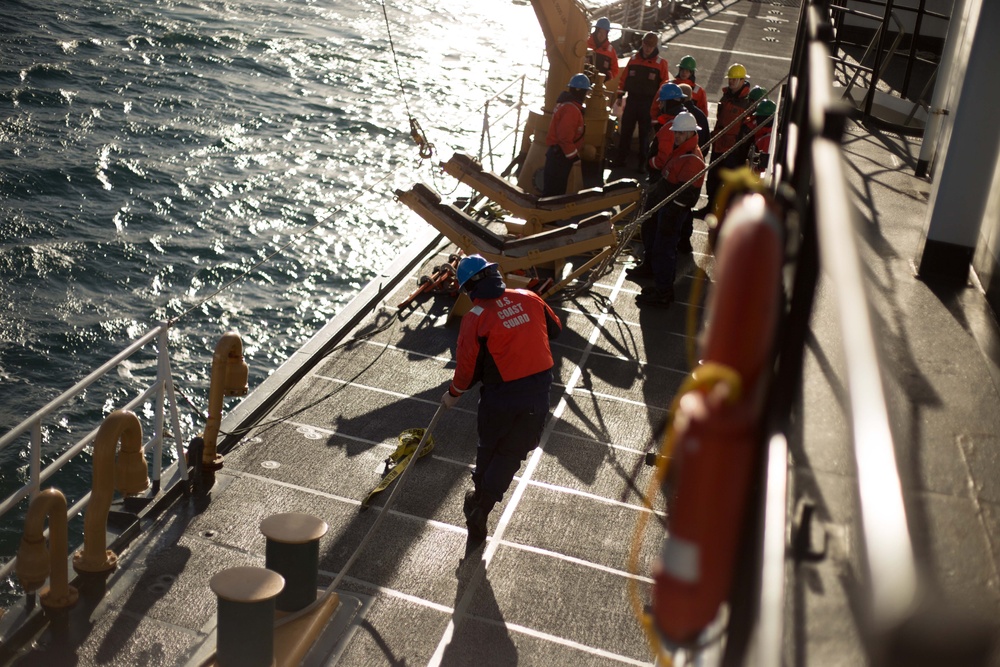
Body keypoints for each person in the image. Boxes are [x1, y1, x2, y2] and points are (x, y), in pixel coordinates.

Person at [440, 255, 562, 544]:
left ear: (470, 289)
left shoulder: (476, 318)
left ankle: (477, 494)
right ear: (496, 275)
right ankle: (483, 506)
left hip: (499, 396)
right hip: (537, 393)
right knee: (511, 453)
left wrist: (454, 394)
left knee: (489, 445)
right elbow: (555, 330)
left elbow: (467, 367)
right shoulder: (530, 297)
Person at [633, 112, 705, 307]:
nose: (677, 136)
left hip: (672, 212)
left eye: (681, 133)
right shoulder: (681, 150)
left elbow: (685, 196)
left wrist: (667, 215)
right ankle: (659, 282)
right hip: (666, 207)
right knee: (660, 247)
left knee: (665, 250)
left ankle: (664, 292)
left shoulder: (692, 160)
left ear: (691, 133)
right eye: (676, 133)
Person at [701, 63, 751, 217]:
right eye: (730, 79)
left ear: (743, 80)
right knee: (713, 179)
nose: (731, 82)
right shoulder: (726, 95)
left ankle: (724, 213)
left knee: (729, 183)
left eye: (735, 80)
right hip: (719, 144)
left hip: (733, 148)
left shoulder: (748, 102)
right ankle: (710, 207)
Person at [614, 32, 669, 169]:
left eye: (650, 46)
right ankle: (621, 159)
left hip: (648, 104)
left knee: (645, 135)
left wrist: (658, 104)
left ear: (655, 46)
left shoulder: (661, 64)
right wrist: (620, 96)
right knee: (626, 131)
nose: (647, 48)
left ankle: (642, 164)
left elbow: (664, 84)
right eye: (646, 45)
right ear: (642, 43)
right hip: (632, 100)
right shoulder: (633, 60)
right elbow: (623, 79)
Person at [542, 73, 590, 196]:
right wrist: (574, 157)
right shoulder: (571, 110)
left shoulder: (566, 104)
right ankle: (550, 214)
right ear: (581, 92)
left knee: (552, 190)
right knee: (555, 192)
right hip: (560, 157)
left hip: (557, 154)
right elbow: (564, 137)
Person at [587, 17, 619, 85]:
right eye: (600, 32)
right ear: (596, 31)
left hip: (600, 85)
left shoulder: (610, 51)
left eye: (604, 33)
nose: (601, 35)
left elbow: (615, 69)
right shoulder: (586, 44)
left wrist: (607, 77)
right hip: (583, 82)